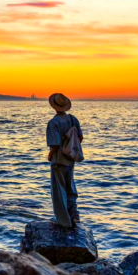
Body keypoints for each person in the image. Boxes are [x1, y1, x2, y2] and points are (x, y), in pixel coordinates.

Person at [46, 93, 83, 228]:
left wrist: (50, 155)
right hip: (70, 159)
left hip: (59, 160)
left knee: (58, 191)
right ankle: (74, 216)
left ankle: (63, 221)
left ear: (54, 107)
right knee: (70, 188)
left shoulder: (53, 123)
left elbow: (55, 144)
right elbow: (80, 138)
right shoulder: (73, 120)